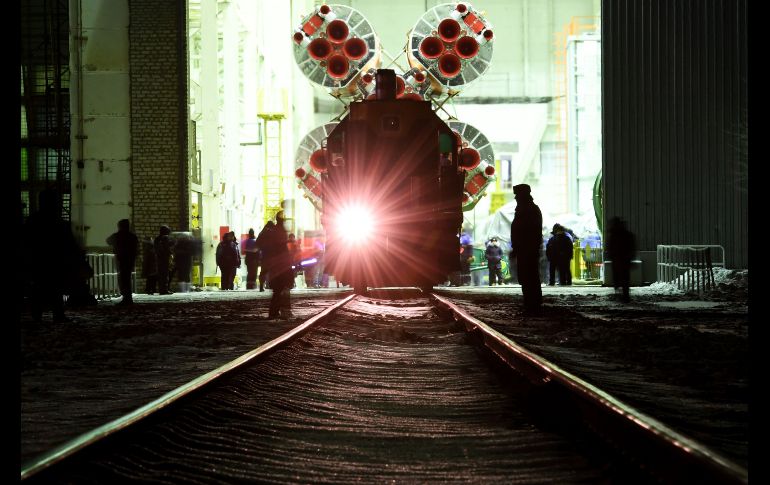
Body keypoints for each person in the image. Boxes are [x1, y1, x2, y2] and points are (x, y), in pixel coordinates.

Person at [24, 188, 88, 322]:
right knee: (56, 288)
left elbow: (26, 241)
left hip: (38, 260)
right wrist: (78, 258)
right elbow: (69, 243)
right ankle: (58, 314)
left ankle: (37, 315)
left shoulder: (33, 220)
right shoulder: (58, 222)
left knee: (38, 288)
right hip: (56, 261)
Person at [509, 183, 543, 312]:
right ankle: (531, 301)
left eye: (517, 196)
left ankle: (532, 301)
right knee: (528, 275)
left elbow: (525, 231)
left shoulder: (527, 210)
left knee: (529, 275)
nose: (516, 198)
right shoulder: (528, 209)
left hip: (527, 249)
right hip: (526, 249)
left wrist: (518, 247)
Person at [258, 211, 294, 318]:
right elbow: (281, 248)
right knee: (282, 289)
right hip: (282, 265)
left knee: (278, 289)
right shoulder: (279, 231)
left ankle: (275, 312)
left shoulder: (273, 231)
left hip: (275, 265)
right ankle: (283, 311)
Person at [106, 219, 139, 305]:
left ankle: (126, 298)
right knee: (127, 278)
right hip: (130, 260)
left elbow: (108, 241)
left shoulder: (118, 235)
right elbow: (136, 249)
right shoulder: (132, 236)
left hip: (121, 260)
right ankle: (128, 297)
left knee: (123, 279)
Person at [606, 216, 636, 303]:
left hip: (617, 258)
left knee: (617, 277)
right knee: (625, 278)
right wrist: (631, 257)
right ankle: (625, 295)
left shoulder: (613, 234)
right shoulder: (627, 234)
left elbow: (610, 246)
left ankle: (620, 293)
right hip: (625, 259)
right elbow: (632, 246)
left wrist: (610, 255)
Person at [154, 225, 176, 295]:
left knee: (161, 274)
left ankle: (161, 289)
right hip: (165, 258)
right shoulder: (165, 238)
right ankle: (165, 290)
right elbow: (167, 247)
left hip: (159, 258)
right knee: (165, 274)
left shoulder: (157, 238)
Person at [256, 221, 275, 291]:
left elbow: (257, 243)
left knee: (263, 271)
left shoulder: (262, 233)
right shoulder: (273, 233)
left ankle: (261, 285)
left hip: (264, 254)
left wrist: (261, 248)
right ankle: (271, 285)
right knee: (273, 270)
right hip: (272, 254)